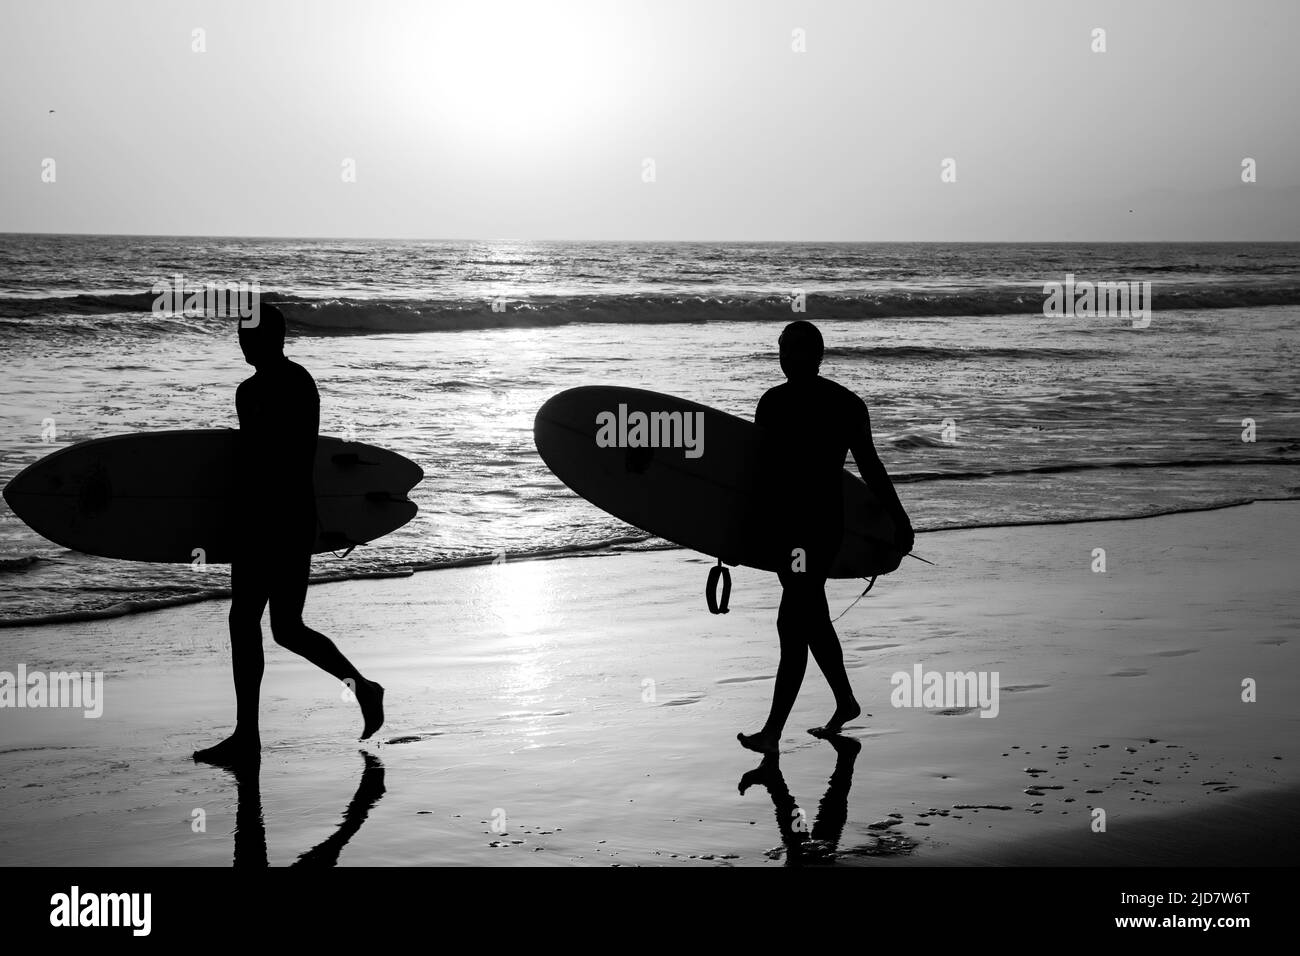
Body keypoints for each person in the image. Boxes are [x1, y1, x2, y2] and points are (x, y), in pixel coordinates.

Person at [194, 304, 384, 767]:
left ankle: (249, 737)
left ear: (272, 339)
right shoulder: (280, 385)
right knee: (281, 627)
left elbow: (273, 460)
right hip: (287, 517)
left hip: (273, 519)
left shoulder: (275, 388)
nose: (242, 342)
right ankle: (361, 690)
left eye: (249, 335)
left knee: (260, 625)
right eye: (240, 334)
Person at [738, 320, 913, 755]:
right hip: (802, 530)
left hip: (805, 534)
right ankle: (846, 701)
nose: (786, 358)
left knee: (793, 622)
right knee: (810, 616)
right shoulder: (832, 403)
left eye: (793, 350)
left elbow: (869, 468)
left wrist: (900, 520)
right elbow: (761, 477)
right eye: (782, 350)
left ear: (815, 355)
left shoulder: (787, 404)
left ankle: (772, 733)